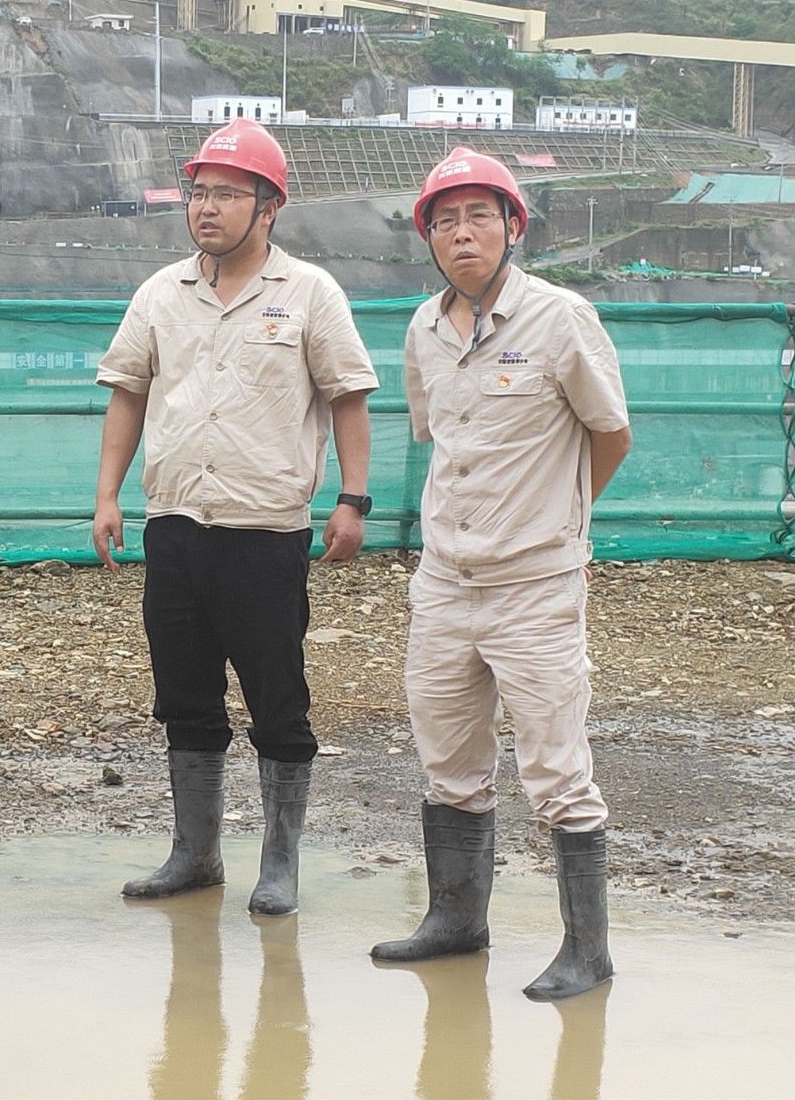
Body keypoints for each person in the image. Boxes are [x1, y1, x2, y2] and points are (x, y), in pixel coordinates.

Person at [94, 118, 378, 917]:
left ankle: (279, 863)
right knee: (184, 697)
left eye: (226, 193)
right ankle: (195, 854)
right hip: (176, 526)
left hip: (266, 531)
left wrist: (352, 499)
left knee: (277, 700)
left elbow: (348, 398)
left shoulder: (310, 293)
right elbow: (129, 394)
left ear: (269, 206)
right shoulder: (161, 293)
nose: (207, 207)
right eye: (199, 192)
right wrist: (108, 495)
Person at [369, 147, 632, 1001]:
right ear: (429, 238)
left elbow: (610, 434)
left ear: (514, 226)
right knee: (448, 758)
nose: (462, 233)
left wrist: (554, 518)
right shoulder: (424, 328)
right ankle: (456, 921)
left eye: (479, 216)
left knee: (557, 769)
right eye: (445, 221)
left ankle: (587, 952)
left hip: (535, 585)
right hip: (445, 582)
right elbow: (438, 440)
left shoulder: (561, 318)